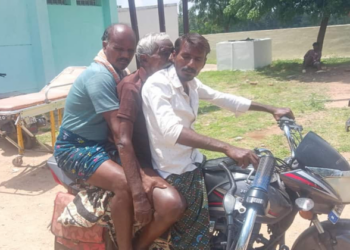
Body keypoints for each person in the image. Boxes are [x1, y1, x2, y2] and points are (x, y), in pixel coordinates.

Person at [142, 33, 294, 249]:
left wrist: (271, 109)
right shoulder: (158, 85)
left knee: (242, 183)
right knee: (193, 239)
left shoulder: (191, 84)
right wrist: (227, 147)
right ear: (174, 55)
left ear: (204, 62)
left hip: (193, 160)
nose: (190, 64)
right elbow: (172, 132)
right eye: (185, 56)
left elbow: (222, 97)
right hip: (175, 170)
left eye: (198, 59)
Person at [54, 25, 177, 250]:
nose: (125, 55)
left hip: (101, 144)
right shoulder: (99, 76)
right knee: (125, 183)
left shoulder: (117, 71)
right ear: (105, 46)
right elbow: (120, 134)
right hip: (75, 148)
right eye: (118, 48)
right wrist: (139, 183)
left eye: (129, 50)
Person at [114, 33, 186, 250]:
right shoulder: (132, 87)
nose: (172, 59)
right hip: (142, 160)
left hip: (164, 156)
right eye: (165, 54)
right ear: (144, 59)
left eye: (172, 53)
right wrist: (139, 190)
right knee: (172, 205)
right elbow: (123, 140)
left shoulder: (168, 84)